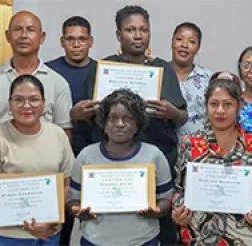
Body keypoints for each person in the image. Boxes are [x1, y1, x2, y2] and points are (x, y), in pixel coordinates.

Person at [71, 6, 188, 243]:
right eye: (130, 29)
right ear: (118, 35)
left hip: (155, 159)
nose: (138, 35)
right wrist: (76, 113)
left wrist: (172, 111)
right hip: (110, 164)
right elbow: (87, 116)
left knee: (153, 226)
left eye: (144, 29)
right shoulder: (102, 68)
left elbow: (182, 117)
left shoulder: (162, 68)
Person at [171, 79, 252, 245]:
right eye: (214, 104)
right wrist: (178, 211)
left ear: (239, 107)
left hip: (243, 235)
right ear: (206, 106)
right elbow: (179, 189)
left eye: (228, 104)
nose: (220, 110)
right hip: (199, 235)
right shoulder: (189, 143)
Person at [0, 75, 73, 245]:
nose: (26, 106)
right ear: (9, 103)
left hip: (47, 232)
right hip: (3, 235)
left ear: (44, 103)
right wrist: (28, 222)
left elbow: (65, 184)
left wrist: (48, 221)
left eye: (34, 99)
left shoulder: (58, 135)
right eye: (18, 99)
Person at [67, 89, 173, 246]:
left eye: (128, 119)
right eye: (112, 118)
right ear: (103, 124)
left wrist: (157, 210)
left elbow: (167, 200)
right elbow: (72, 200)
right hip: (95, 240)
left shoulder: (153, 155)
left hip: (143, 240)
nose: (120, 124)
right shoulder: (86, 156)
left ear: (138, 124)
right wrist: (77, 210)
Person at [0, 11, 73, 136]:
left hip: (43, 155)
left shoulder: (58, 83)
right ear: (8, 36)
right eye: (18, 29)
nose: (23, 35)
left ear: (42, 37)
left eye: (30, 30)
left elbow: (64, 134)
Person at [45, 16, 96, 157]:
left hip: (95, 146)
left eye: (82, 39)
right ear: (62, 42)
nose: (76, 44)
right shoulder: (48, 71)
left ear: (90, 41)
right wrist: (71, 116)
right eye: (70, 39)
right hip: (56, 147)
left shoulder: (102, 71)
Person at [170, 22, 212, 137]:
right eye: (179, 39)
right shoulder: (159, 72)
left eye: (191, 42)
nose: (184, 45)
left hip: (199, 148)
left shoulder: (208, 78)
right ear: (172, 43)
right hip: (164, 147)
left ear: (198, 48)